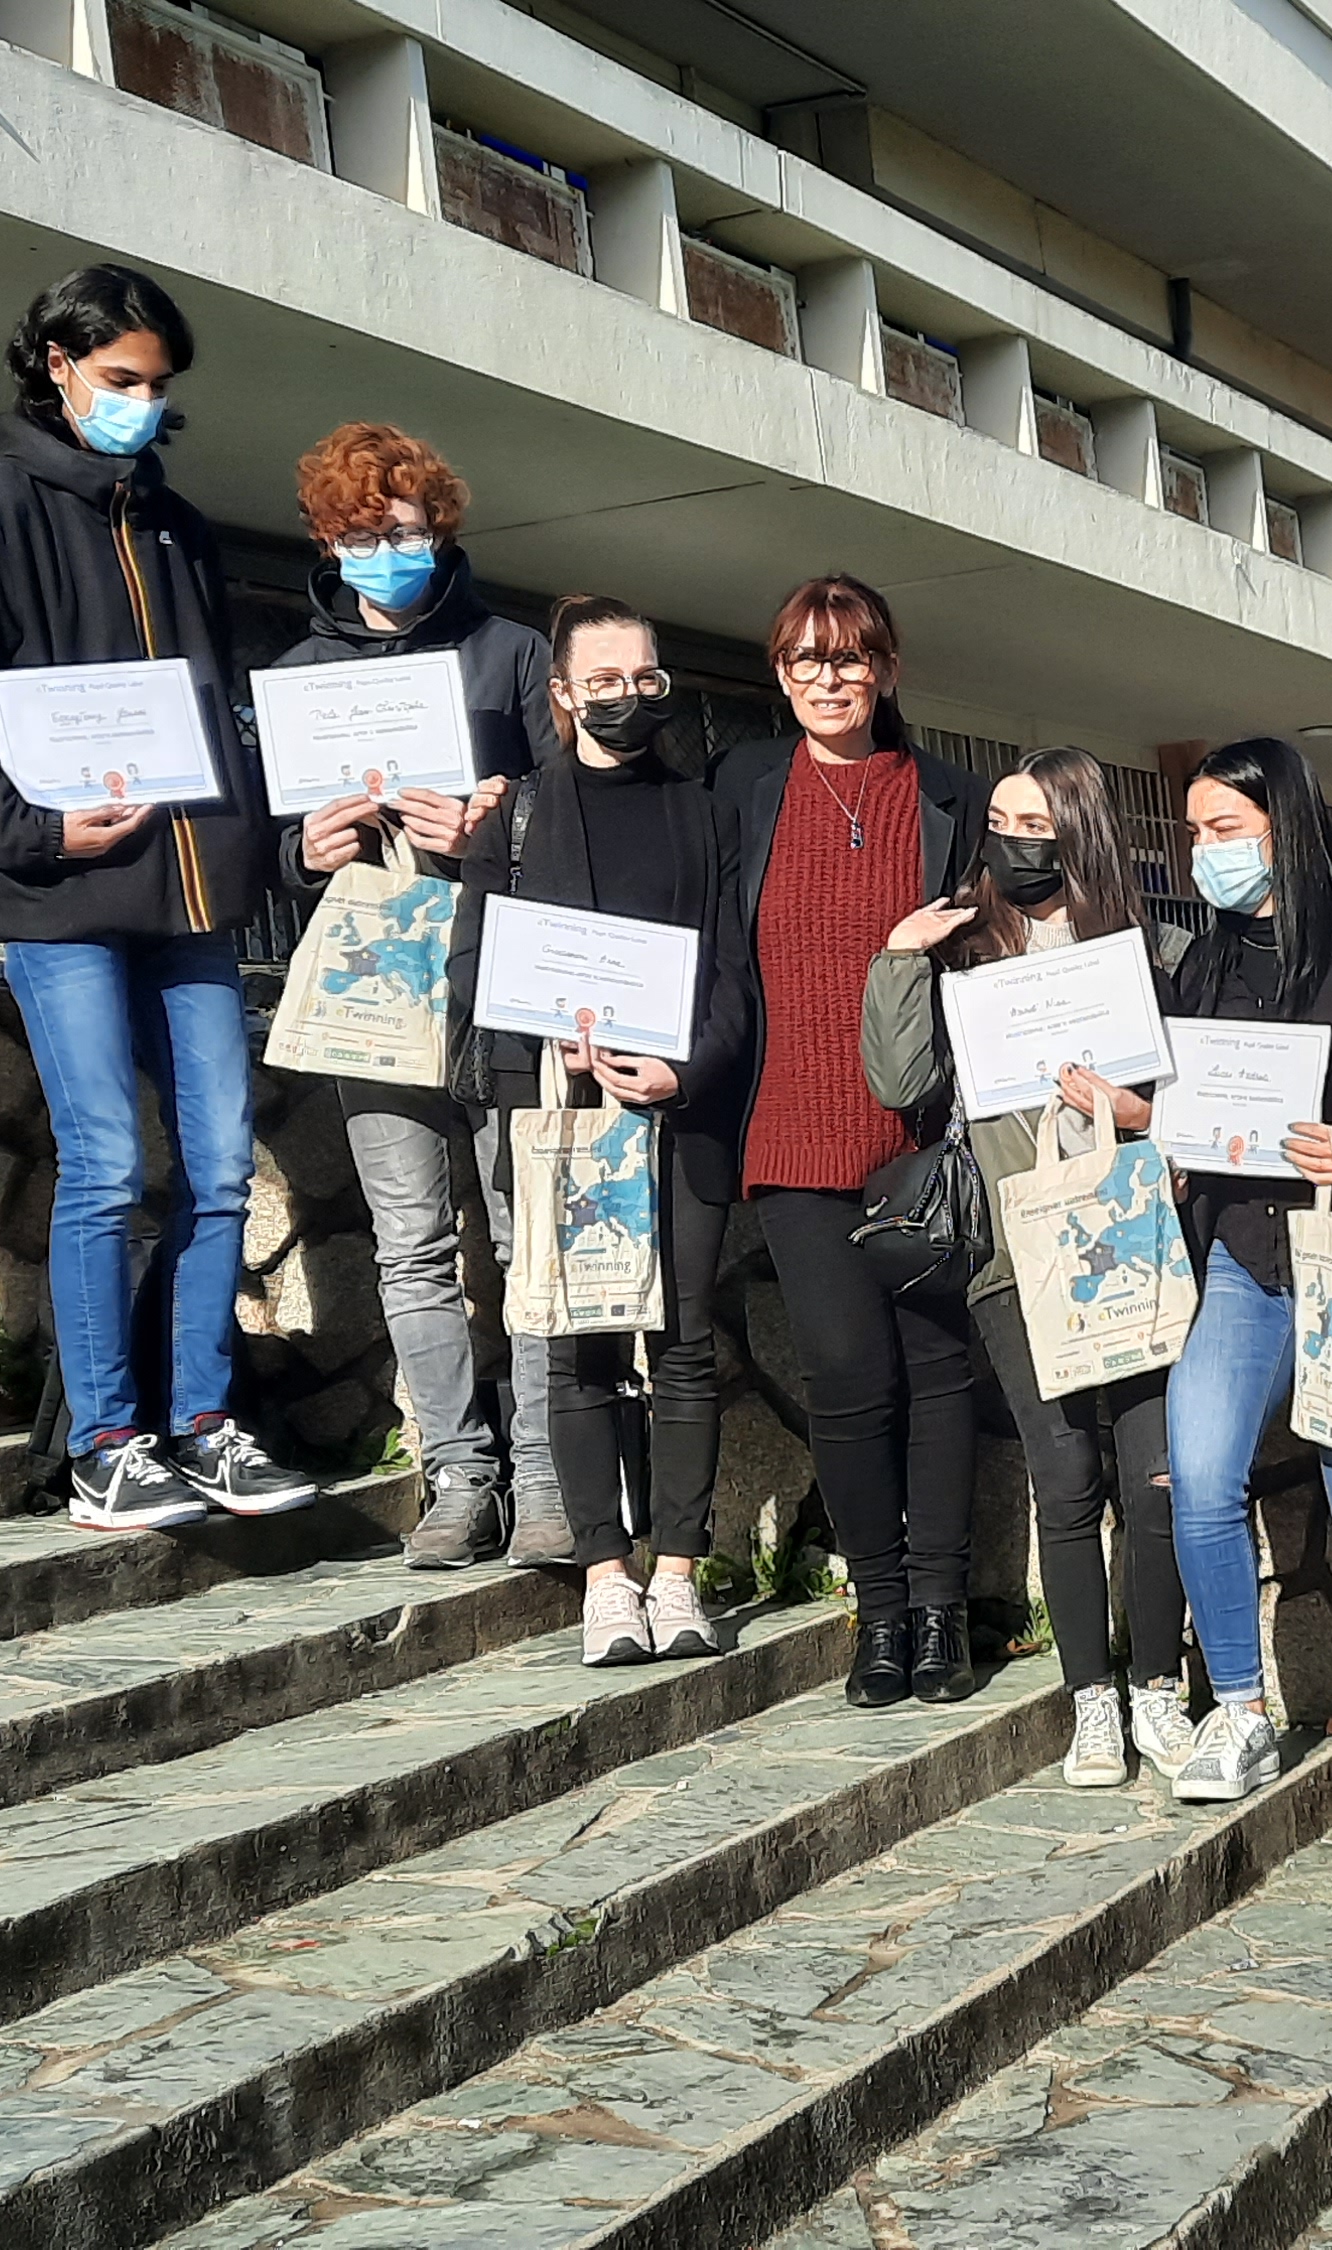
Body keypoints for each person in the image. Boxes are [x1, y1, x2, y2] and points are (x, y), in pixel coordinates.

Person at [0, 263, 318, 1530]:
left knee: (225, 1167)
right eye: (118, 379)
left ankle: (204, 1419)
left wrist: (258, 839)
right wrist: (30, 827)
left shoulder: (176, 523)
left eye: (156, 385)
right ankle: (106, 1442)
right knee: (108, 1162)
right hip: (61, 895)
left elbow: (216, 707)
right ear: (57, 368)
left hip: (194, 897)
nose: (137, 402)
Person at [1124, 737, 1332, 1843]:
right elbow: (1181, 1109)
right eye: (1199, 831)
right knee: (1199, 1479)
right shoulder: (1199, 965)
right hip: (1239, 1263)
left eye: (1228, 830)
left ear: (1285, 826)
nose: (1207, 852)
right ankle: (1242, 1709)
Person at [862, 747, 1196, 1785]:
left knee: (1155, 1486)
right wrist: (900, 957)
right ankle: (1089, 1700)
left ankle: (1155, 1690)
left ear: (1079, 831)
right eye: (1001, 820)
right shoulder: (964, 950)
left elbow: (1198, 1098)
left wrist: (1161, 1129)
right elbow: (899, 1079)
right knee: (1064, 1480)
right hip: (1018, 1255)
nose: (1012, 839)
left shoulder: (1156, 952)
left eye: (1037, 823)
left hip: (1135, 1245)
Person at [454, 595, 747, 1657]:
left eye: (646, 678)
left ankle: (676, 1574)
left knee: (682, 1347)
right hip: (563, 1110)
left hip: (681, 1112)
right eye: (606, 680)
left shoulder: (704, 812)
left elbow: (731, 975)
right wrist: (548, 1044)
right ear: (564, 693)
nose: (628, 697)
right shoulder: (516, 819)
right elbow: (475, 968)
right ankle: (602, 1577)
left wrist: (685, 1068)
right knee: (575, 1348)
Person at [710, 575, 984, 1706]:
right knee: (845, 1376)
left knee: (938, 1375)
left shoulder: (950, 797)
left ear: (887, 669)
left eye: (850, 657)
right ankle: (878, 1612)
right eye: (805, 660)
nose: (829, 678)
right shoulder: (741, 790)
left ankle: (941, 1610)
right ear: (780, 675)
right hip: (789, 1132)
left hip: (918, 1138)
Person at [271, 424, 533, 1565]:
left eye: (408, 531)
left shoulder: (513, 653)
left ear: (442, 529)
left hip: (500, 973)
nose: (389, 549)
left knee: (528, 1239)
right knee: (412, 1243)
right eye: (365, 533)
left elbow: (573, 820)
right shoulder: (294, 677)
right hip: (370, 988)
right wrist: (302, 851)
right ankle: (458, 1475)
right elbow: (260, 852)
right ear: (328, 539)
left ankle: (551, 1469)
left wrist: (498, 823)